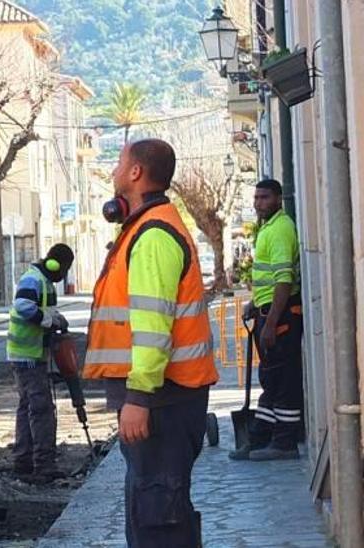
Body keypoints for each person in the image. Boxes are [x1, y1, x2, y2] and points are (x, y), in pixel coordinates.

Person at [83, 139, 219, 547]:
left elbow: (152, 329)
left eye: (119, 164)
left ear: (136, 173)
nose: (113, 173)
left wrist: (138, 398)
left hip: (162, 400)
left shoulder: (153, 235)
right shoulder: (147, 228)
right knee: (154, 513)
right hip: (167, 399)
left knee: (160, 520)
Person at [230, 179, 304, 461]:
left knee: (282, 379)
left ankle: (284, 441)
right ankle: (263, 436)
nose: (258, 202)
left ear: (278, 199)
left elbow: (284, 281)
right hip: (267, 311)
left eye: (264, 197)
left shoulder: (282, 229)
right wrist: (254, 303)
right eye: (256, 197)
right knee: (271, 378)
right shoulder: (267, 229)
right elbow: (269, 279)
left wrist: (272, 323)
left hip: (281, 314)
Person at [7, 244, 75, 481]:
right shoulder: (34, 280)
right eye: (64, 268)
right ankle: (43, 465)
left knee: (27, 408)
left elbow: (45, 310)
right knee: (41, 410)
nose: (64, 274)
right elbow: (23, 306)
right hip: (27, 356)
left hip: (30, 356)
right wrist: (50, 322)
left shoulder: (42, 281)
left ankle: (23, 460)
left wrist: (57, 318)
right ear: (55, 264)